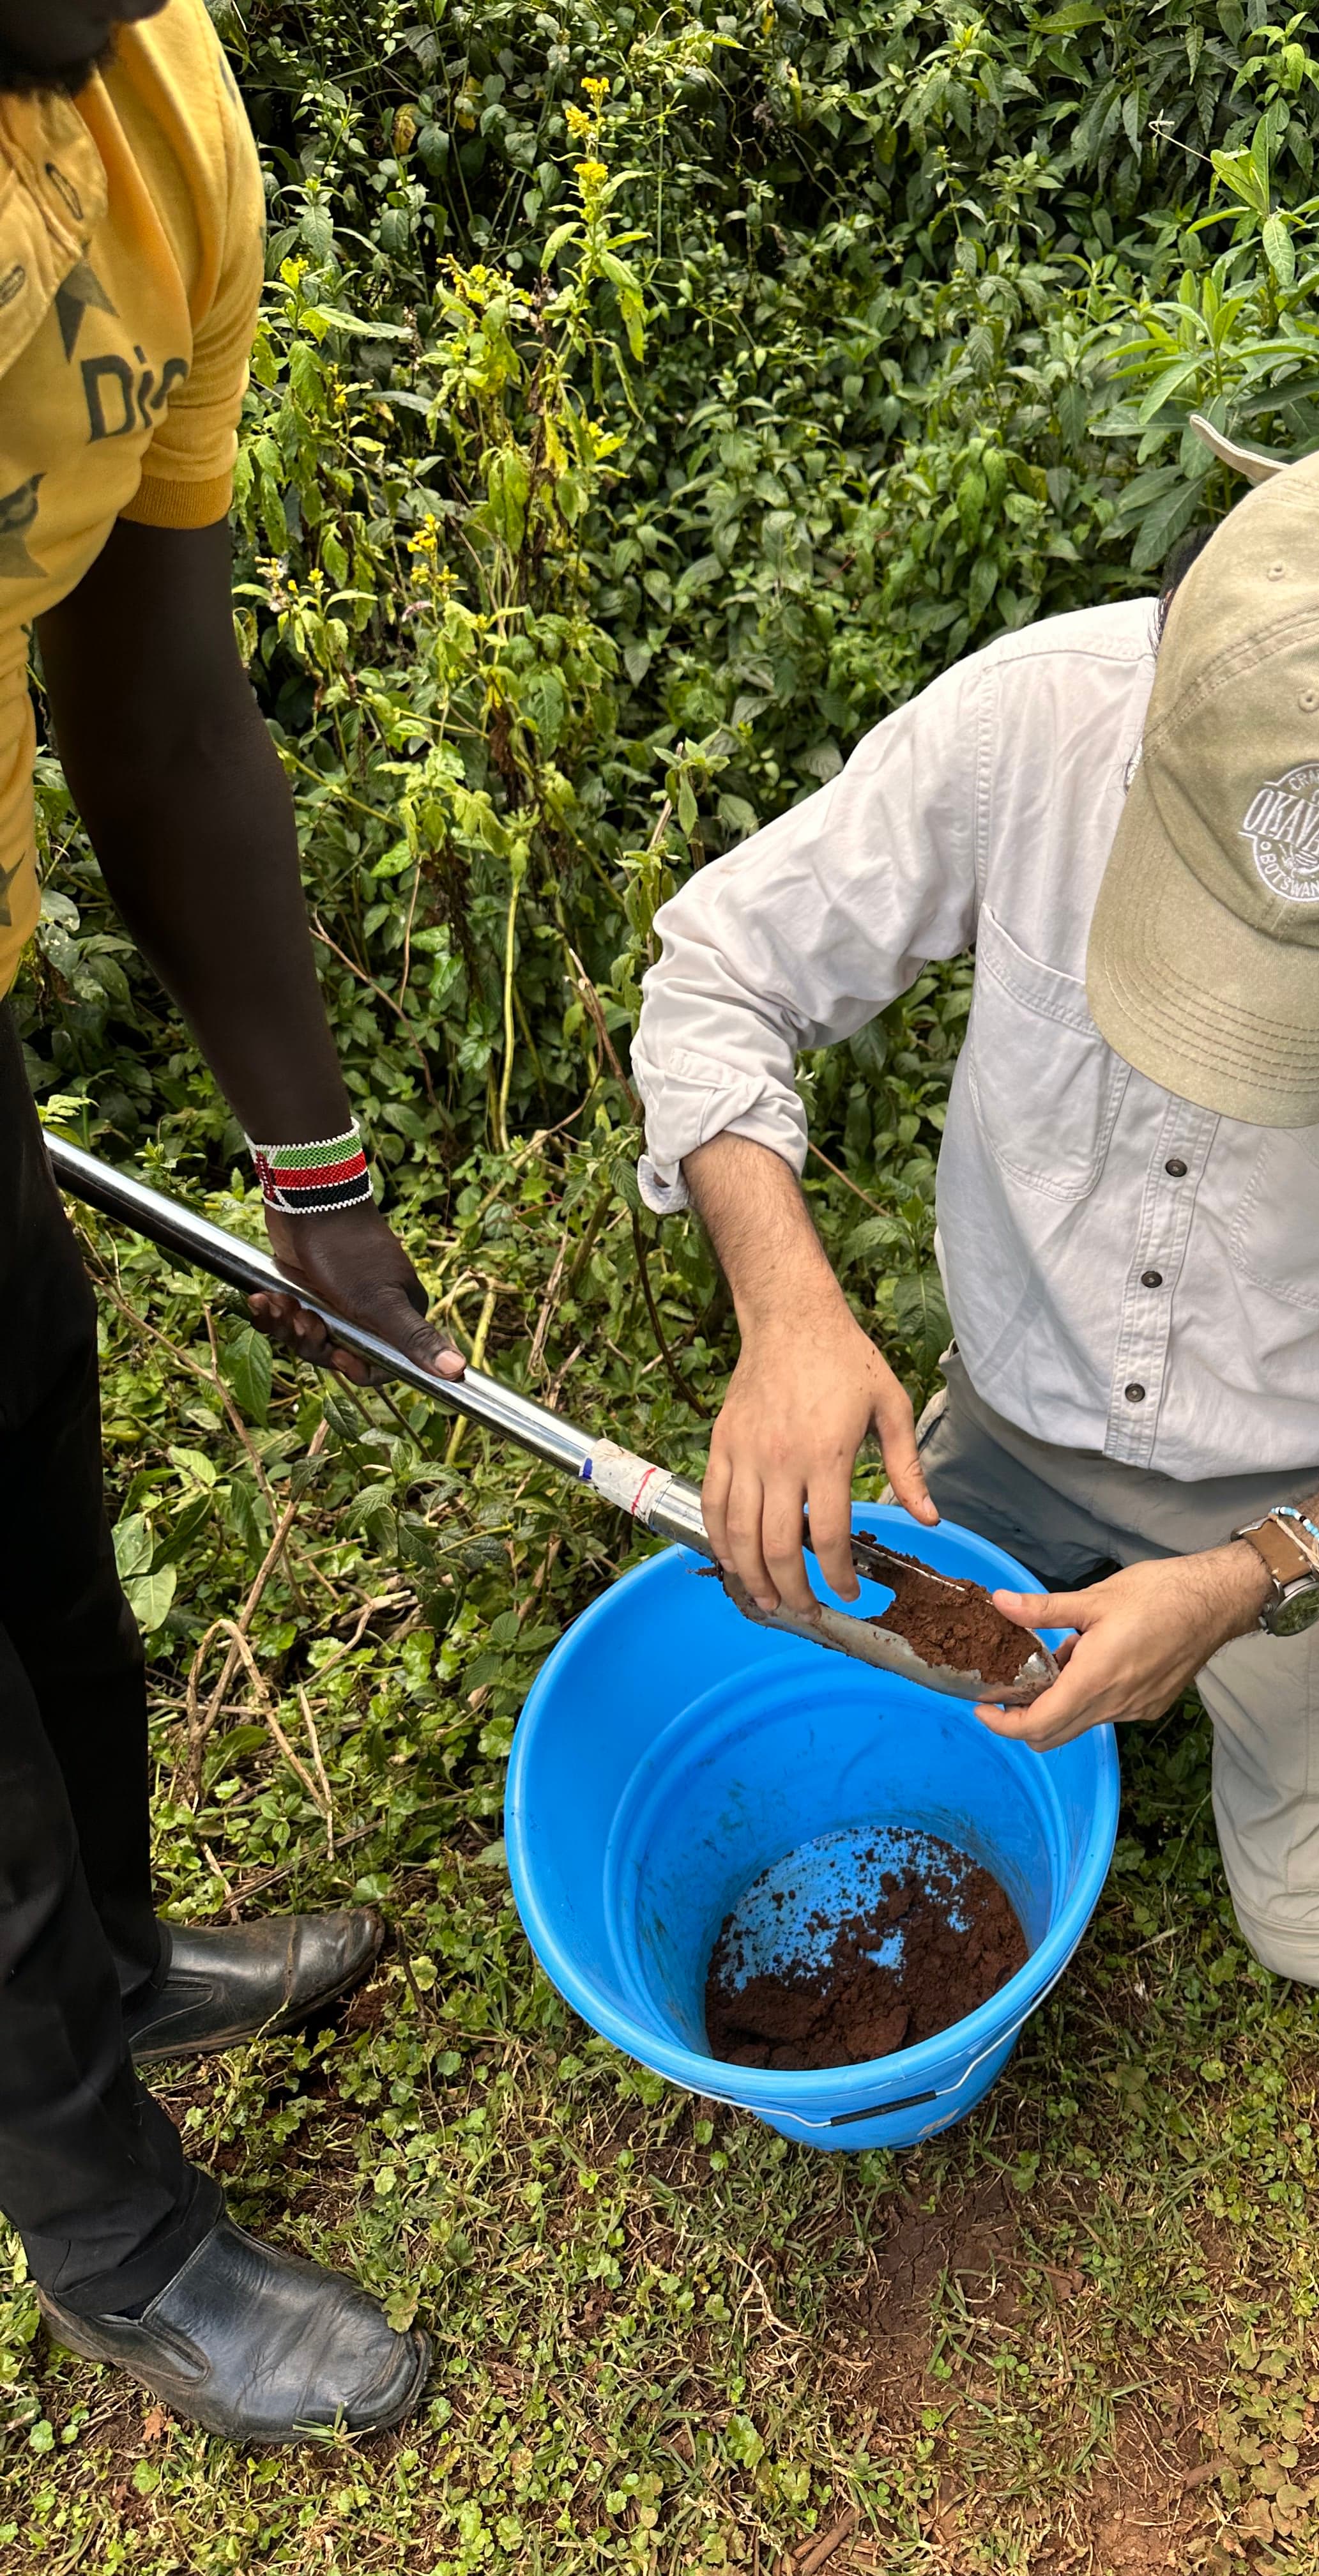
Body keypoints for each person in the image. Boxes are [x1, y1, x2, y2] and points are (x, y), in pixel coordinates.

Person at [632, 424, 1319, 1995]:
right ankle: (1085, 1556)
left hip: (1306, 1477)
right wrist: (789, 1315)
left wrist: (1249, 1572)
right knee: (821, 1658)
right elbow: (725, 970)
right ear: (1181, 630)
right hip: (1017, 1412)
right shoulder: (1037, 717)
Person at [0, 0, 462, 2442]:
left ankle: (115, 1955)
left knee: (45, 1531)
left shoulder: (150, 108)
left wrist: (317, 1173)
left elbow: (155, 684)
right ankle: (110, 2231)